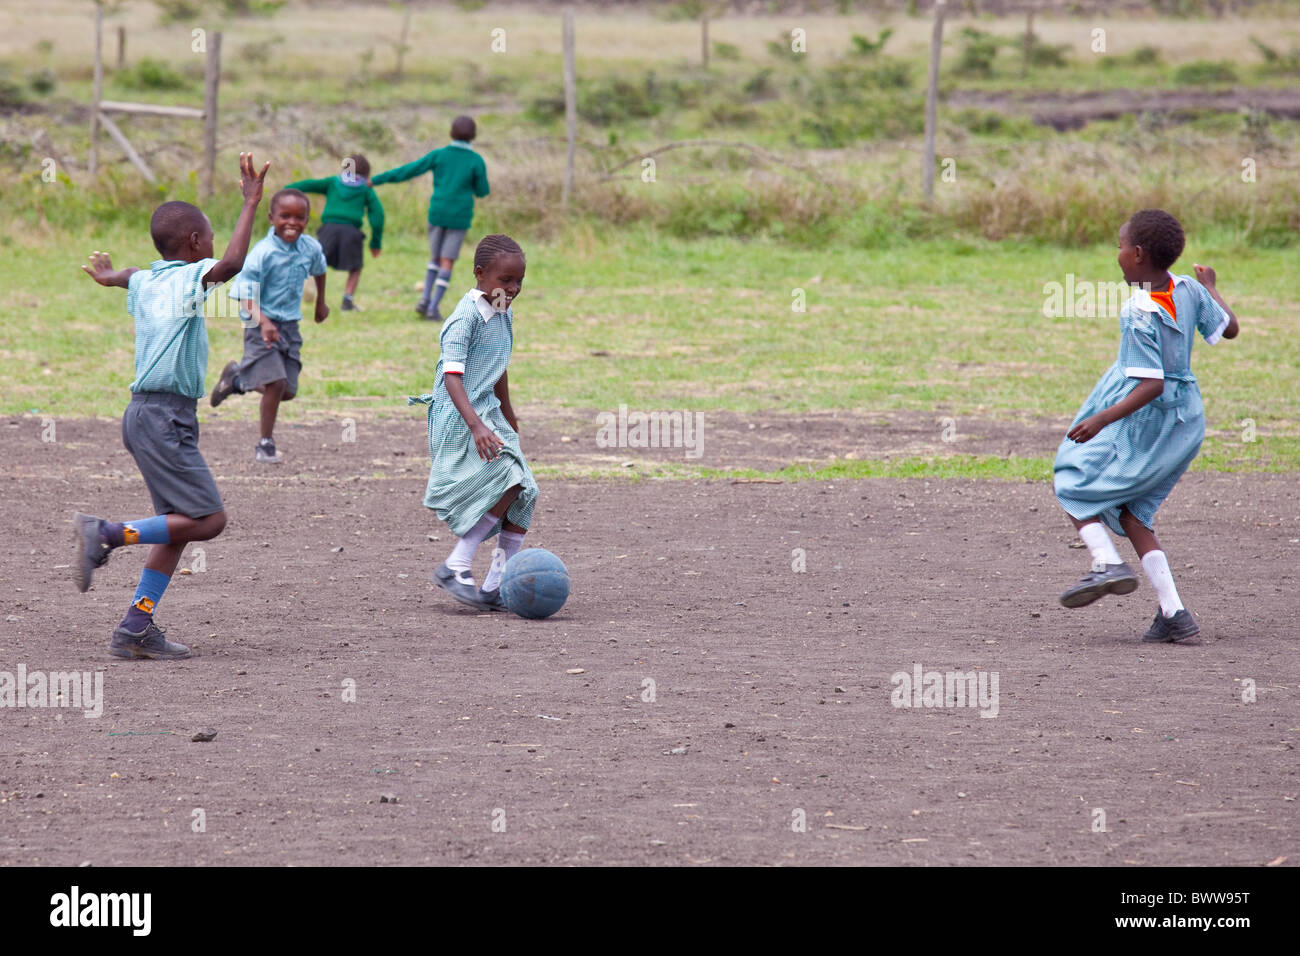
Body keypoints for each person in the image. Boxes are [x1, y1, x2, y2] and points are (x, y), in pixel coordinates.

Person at [75, 153, 270, 660]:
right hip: (163, 418)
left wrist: (110, 275)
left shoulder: (148, 280)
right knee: (209, 520)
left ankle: (135, 626)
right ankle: (111, 532)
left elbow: (133, 274)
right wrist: (250, 203)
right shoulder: (189, 278)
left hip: (146, 415)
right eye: (206, 237)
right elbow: (232, 265)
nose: (210, 246)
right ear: (195, 245)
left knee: (179, 525)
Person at [1054, 208, 1239, 643]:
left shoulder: (1138, 310)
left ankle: (1105, 562)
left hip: (1147, 418)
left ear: (1136, 254)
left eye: (1119, 246)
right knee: (1135, 514)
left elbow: (1151, 384)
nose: (1116, 254)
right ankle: (1174, 615)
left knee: (1071, 478)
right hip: (1186, 421)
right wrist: (1213, 288)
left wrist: (1101, 418)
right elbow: (1229, 328)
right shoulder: (1190, 288)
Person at [409, 235, 537, 610]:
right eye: (505, 280)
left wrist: (507, 413)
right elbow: (452, 377)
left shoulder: (503, 312)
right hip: (459, 416)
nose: (512, 289)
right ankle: (456, 564)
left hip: (488, 413)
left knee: (526, 492)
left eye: (519, 281)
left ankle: (497, 585)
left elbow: (500, 366)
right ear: (480, 274)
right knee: (508, 480)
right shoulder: (464, 319)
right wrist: (478, 426)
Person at [209, 188, 329, 464]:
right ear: (271, 218)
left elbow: (320, 270)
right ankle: (265, 444)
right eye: (285, 216)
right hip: (258, 322)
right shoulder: (262, 253)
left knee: (287, 391)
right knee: (274, 384)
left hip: (289, 325)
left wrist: (321, 303)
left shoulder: (310, 247)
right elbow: (243, 295)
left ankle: (237, 380)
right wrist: (263, 323)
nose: (292, 222)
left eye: (300, 217)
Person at [371, 115, 489, 321]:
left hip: (437, 213)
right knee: (446, 261)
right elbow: (482, 191)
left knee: (434, 258)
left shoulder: (440, 155)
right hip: (459, 217)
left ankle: (424, 299)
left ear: (451, 133)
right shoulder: (476, 160)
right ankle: (433, 307)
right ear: (473, 136)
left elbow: (409, 170)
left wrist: (376, 180)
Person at [286, 154, 384, 312]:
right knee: (355, 268)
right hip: (352, 231)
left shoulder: (333, 182)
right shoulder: (366, 189)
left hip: (329, 228)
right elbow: (378, 215)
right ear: (367, 174)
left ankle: (307, 280)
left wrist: (286, 191)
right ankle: (347, 300)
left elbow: (309, 185)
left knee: (319, 260)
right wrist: (376, 242)